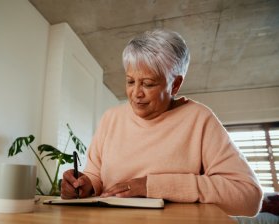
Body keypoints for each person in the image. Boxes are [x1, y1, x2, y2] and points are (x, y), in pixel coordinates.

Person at [61, 29, 263, 216]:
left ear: (175, 85)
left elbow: (248, 196)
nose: (136, 94)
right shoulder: (110, 119)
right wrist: (84, 184)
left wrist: (155, 186)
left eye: (148, 84)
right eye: (130, 81)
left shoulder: (199, 119)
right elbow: (95, 176)